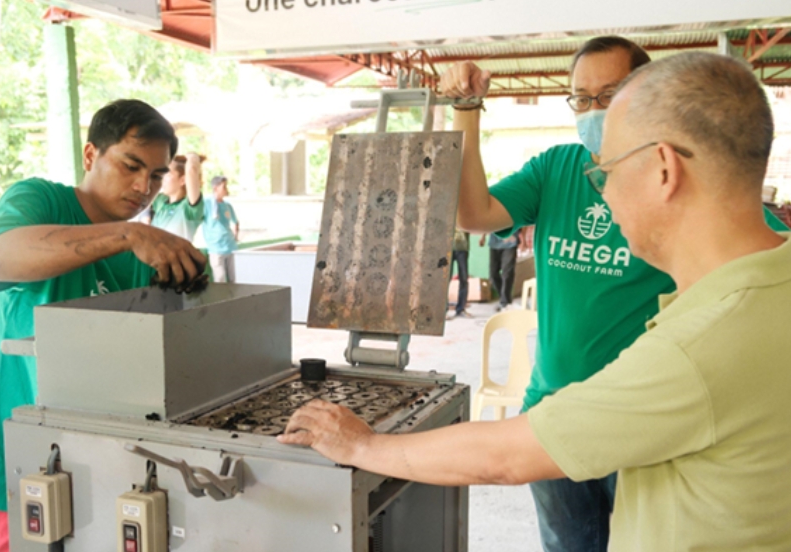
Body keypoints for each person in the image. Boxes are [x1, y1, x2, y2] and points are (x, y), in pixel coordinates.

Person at [280, 51, 791, 552]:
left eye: (607, 170)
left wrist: (362, 445)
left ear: (663, 169)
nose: (603, 193)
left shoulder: (698, 346)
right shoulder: (768, 284)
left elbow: (504, 458)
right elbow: (475, 211)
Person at [439, 36, 788, 551]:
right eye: (581, 98)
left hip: (645, 414)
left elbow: (753, 246)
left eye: (609, 95)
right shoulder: (557, 167)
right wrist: (466, 111)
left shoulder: (698, 214)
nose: (593, 110)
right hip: (557, 404)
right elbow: (474, 215)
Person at [0, 99, 207, 552]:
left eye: (156, 175)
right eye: (131, 165)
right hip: (17, 451)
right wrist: (129, 235)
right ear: (92, 155)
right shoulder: (40, 199)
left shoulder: (141, 251)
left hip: (103, 456)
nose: (143, 186)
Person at [150, 152, 205, 242]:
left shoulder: (188, 208)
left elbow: (192, 170)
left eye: (167, 174)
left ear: (183, 180)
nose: (162, 178)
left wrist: (193, 157)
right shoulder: (160, 200)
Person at [203, 175, 240, 283]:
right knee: (220, 279)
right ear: (215, 188)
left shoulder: (227, 205)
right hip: (216, 248)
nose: (226, 189)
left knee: (233, 279)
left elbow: (235, 222)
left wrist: (235, 237)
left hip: (230, 247)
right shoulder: (207, 204)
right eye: (223, 187)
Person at [480, 230, 521, 311]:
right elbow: (488, 223)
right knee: (493, 275)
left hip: (510, 243)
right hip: (494, 244)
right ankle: (505, 299)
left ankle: (504, 302)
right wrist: (483, 237)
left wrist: (521, 238)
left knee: (507, 273)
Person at [447, 229, 472, 319]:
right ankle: (443, 311)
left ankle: (461, 309)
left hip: (462, 247)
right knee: (445, 279)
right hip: (448, 246)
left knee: (464, 279)